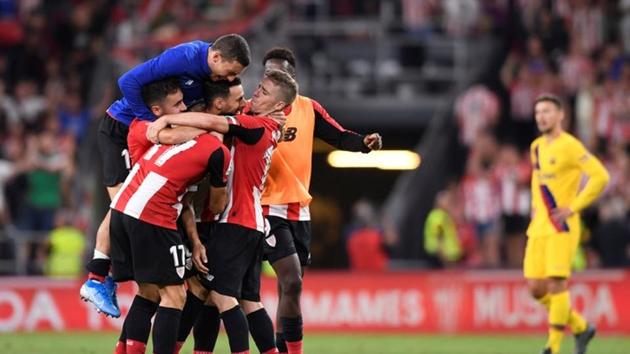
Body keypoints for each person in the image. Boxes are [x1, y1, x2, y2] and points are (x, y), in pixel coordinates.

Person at [81, 34, 251, 318]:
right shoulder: (186, 57)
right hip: (122, 129)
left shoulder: (208, 76)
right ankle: (96, 278)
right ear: (216, 58)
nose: (229, 78)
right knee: (124, 203)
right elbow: (128, 82)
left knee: (133, 202)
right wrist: (152, 123)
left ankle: (116, 277)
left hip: (146, 132)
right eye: (231, 72)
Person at [260, 47, 382, 354]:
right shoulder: (253, 110)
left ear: (293, 77)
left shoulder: (308, 108)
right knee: (291, 280)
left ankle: (281, 348)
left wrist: (364, 145)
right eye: (269, 73)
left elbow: (339, 136)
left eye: (282, 72)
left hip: (299, 211)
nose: (274, 77)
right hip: (264, 207)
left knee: (289, 289)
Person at [109, 79, 232, 354]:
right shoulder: (217, 151)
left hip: (121, 210)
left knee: (149, 292)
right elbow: (215, 203)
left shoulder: (169, 137)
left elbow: (183, 199)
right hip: (151, 217)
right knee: (175, 296)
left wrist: (195, 241)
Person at [525, 94, 609, 354]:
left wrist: (573, 207)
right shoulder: (536, 147)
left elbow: (601, 176)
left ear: (561, 115)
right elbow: (538, 181)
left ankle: (553, 347)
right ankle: (581, 326)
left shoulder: (571, 146)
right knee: (535, 288)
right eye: (538, 112)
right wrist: (534, 209)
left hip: (561, 226)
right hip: (539, 225)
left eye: (547, 111)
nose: (541, 116)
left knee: (556, 283)